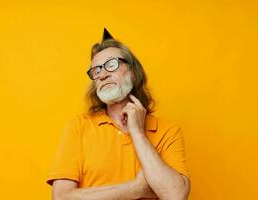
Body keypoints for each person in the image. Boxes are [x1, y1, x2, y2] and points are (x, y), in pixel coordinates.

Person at [46, 28, 191, 200]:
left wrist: (137, 132)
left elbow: (175, 195)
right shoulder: (79, 126)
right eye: (96, 70)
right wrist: (136, 189)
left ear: (133, 72)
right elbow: (61, 197)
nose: (103, 74)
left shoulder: (168, 132)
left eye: (111, 64)